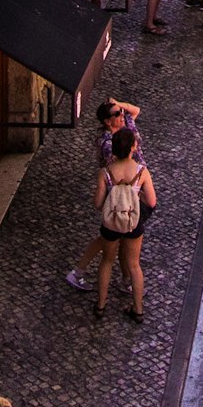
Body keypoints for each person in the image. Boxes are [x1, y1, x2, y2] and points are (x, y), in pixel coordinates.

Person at [61, 99, 145, 295]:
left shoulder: (125, 125)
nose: (122, 114)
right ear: (108, 121)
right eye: (117, 113)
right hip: (120, 196)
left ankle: (125, 280)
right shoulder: (108, 143)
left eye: (121, 112)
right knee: (114, 237)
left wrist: (118, 103)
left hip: (132, 193)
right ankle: (81, 272)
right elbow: (119, 169)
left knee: (123, 236)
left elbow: (135, 110)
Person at [88, 124, 157, 321]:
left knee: (107, 261)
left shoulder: (105, 173)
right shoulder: (142, 172)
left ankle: (101, 305)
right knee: (134, 265)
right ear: (133, 148)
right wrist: (136, 195)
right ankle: (138, 309)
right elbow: (152, 201)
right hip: (133, 223)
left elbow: (98, 203)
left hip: (111, 224)